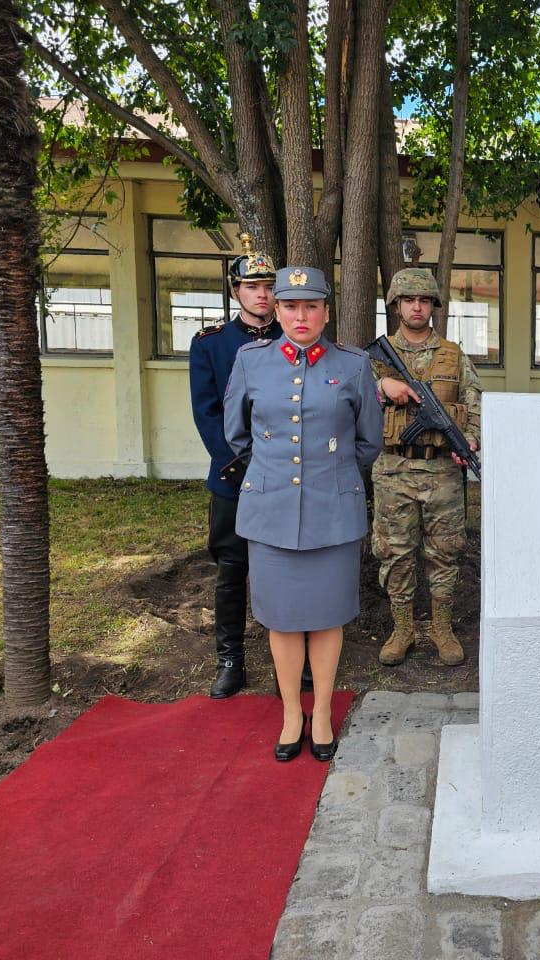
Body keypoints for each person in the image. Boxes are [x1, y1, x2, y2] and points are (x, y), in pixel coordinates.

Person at [223, 266, 383, 760]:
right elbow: (237, 436)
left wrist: (327, 476)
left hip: (332, 513)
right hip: (270, 513)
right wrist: (276, 477)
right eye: (290, 306)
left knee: (327, 617)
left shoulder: (354, 365)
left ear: (326, 312)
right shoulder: (251, 361)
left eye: (310, 306)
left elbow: (368, 442)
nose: (300, 315)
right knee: (284, 620)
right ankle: (293, 711)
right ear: (276, 309)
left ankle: (322, 712)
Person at [372, 268, 482, 668]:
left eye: (423, 301)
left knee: (445, 552)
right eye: (408, 300)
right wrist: (381, 387)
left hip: (442, 474)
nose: (416, 307)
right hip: (393, 471)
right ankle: (402, 630)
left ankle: (441, 628)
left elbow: (474, 404)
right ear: (397, 305)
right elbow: (348, 397)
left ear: (433, 306)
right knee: (395, 552)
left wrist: (469, 439)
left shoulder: (453, 355)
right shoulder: (378, 357)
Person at [188, 236, 279, 698]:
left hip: (284, 476)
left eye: (267, 285)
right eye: (251, 286)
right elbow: (207, 413)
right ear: (235, 292)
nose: (261, 294)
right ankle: (230, 660)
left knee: (284, 566)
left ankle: (292, 659)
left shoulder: (292, 342)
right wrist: (237, 465)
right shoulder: (211, 344)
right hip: (233, 477)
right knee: (231, 567)